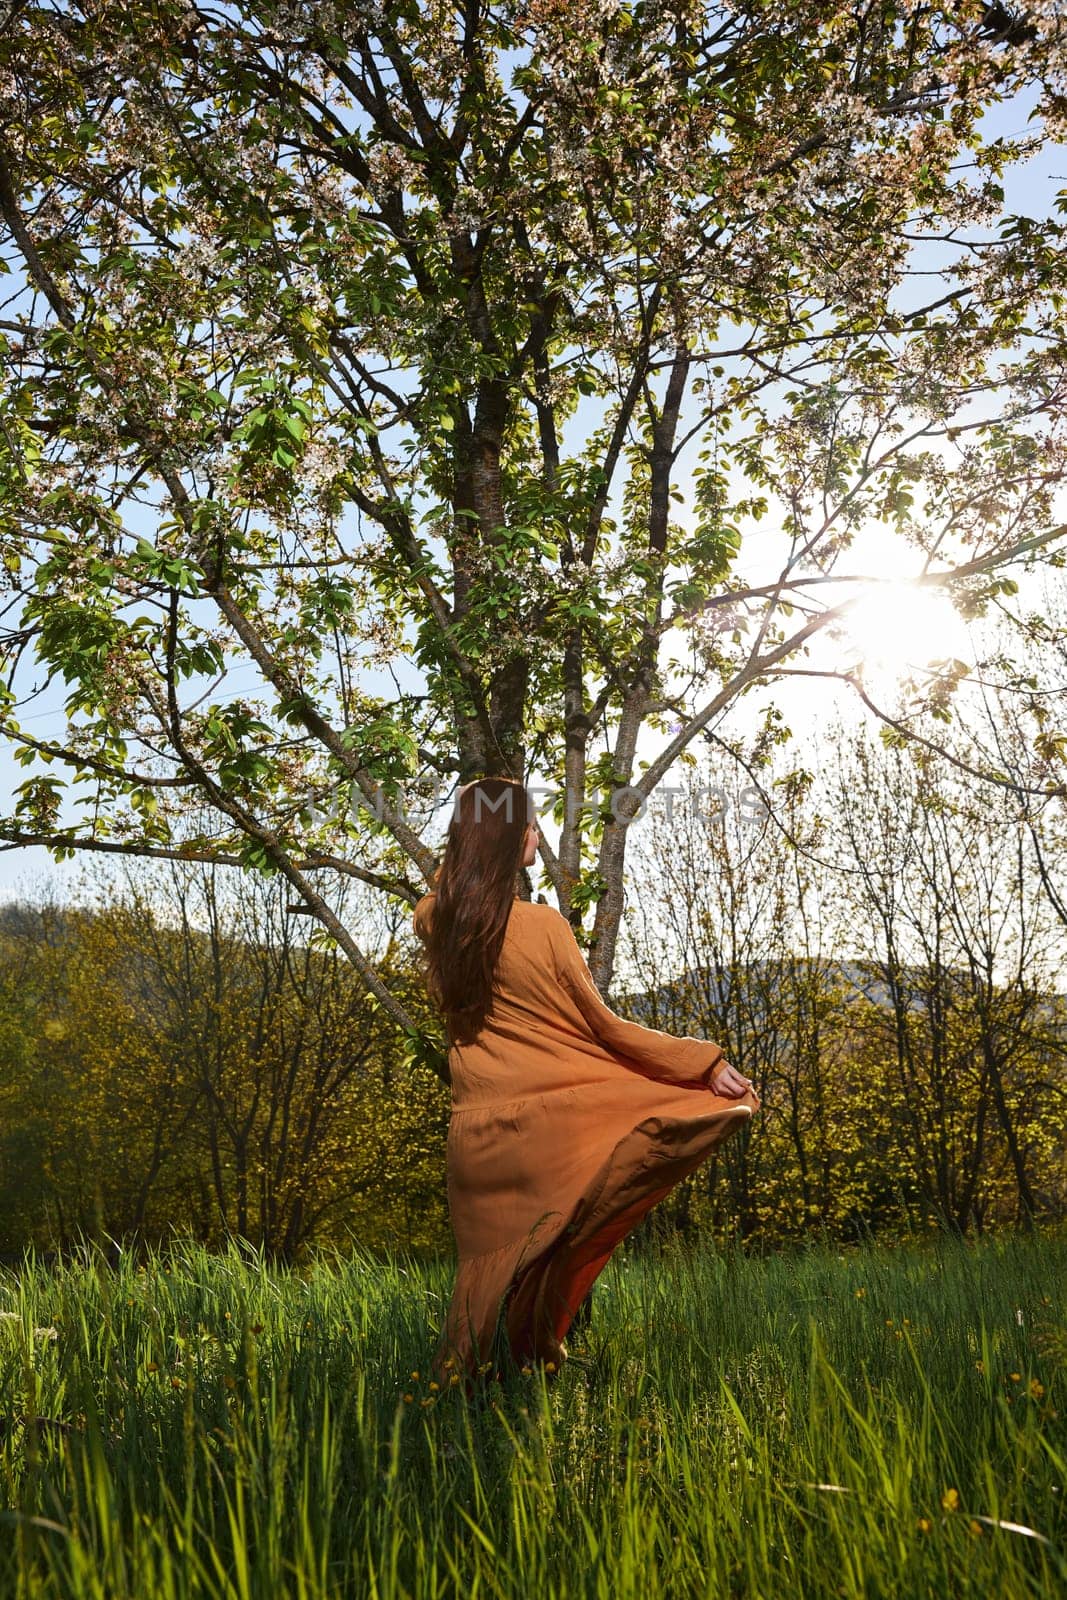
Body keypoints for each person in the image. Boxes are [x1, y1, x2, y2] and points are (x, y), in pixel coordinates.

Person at [413, 776, 761, 1396]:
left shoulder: (436, 922)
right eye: (529, 826)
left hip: (475, 1140)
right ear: (506, 840)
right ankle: (532, 1378)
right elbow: (606, 1029)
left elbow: (446, 893)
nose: (538, 835)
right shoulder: (545, 927)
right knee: (549, 1259)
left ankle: (456, 1402)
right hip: (550, 1130)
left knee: (485, 1284)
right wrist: (702, 1064)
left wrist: (467, 845)